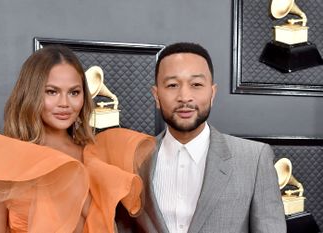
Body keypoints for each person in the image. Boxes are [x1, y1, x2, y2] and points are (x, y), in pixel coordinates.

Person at [0, 45, 155, 233]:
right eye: (52, 92)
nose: (65, 103)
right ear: (31, 94)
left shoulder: (99, 154)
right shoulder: (1, 164)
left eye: (74, 92)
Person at [116, 42, 286, 233]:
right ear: (156, 95)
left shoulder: (254, 159)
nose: (185, 97)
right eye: (172, 85)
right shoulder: (131, 159)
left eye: (196, 84)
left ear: (212, 93)